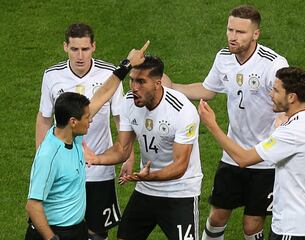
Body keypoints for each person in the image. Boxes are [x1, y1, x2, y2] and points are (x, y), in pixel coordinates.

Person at [162, 5, 289, 240]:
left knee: (252, 225)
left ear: (255, 34)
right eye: (230, 29)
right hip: (232, 154)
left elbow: (286, 101)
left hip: (264, 159)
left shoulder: (273, 64)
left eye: (240, 32)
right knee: (217, 216)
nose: (232, 36)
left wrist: (283, 122)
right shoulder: (223, 58)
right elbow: (208, 90)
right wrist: (172, 87)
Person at [198, 67, 305, 239]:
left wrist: (212, 125)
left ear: (291, 97)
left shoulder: (290, 133)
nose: (270, 94)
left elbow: (243, 159)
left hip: (290, 227)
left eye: (275, 90)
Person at [85, 55, 203, 240]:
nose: (134, 88)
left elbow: (180, 166)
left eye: (141, 82)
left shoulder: (182, 110)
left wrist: (149, 176)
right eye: (132, 80)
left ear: (157, 83)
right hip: (146, 188)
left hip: (180, 191)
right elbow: (122, 149)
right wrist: (96, 159)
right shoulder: (129, 102)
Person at [35, 23, 132, 239]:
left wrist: (128, 156)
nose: (80, 56)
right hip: (65, 171)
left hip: (99, 167)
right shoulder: (51, 76)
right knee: (64, 225)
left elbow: (119, 118)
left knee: (98, 231)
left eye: (85, 49)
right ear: (65, 47)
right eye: (74, 49)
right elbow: (43, 118)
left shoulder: (108, 74)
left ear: (94, 47)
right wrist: (41, 158)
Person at [25, 92, 91, 240]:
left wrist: (122, 71)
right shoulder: (48, 156)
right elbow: (33, 206)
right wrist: (52, 238)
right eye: (87, 117)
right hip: (53, 232)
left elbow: (101, 97)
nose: (90, 120)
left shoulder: (73, 136)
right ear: (73, 121)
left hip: (77, 230)